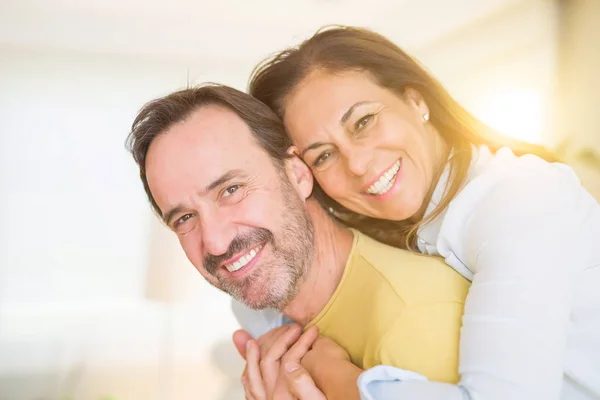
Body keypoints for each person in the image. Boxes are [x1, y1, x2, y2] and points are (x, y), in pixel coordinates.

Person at [233, 26, 600, 399]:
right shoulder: (385, 228)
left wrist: (336, 378)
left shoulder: (519, 201)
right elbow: (259, 294)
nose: (357, 164)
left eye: (363, 122)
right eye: (323, 155)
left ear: (415, 100)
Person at [125, 85, 472, 399]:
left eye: (231, 190)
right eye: (185, 218)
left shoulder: (416, 319)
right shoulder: (263, 314)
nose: (215, 243)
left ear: (297, 173)